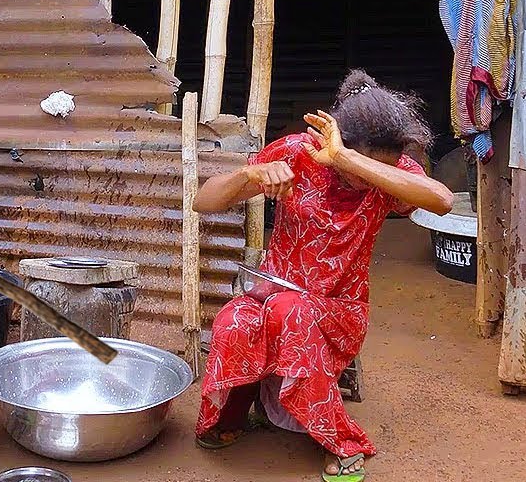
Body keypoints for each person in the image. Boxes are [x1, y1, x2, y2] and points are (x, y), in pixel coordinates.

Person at [192, 70, 453, 482]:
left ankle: (339, 441)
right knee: (234, 319)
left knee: (290, 313)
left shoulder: (388, 172)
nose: (366, 179)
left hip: (339, 310)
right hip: (273, 295)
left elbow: (442, 201)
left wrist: (348, 159)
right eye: (358, 164)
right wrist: (250, 175)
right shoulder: (297, 153)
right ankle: (235, 412)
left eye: (376, 168)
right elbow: (203, 201)